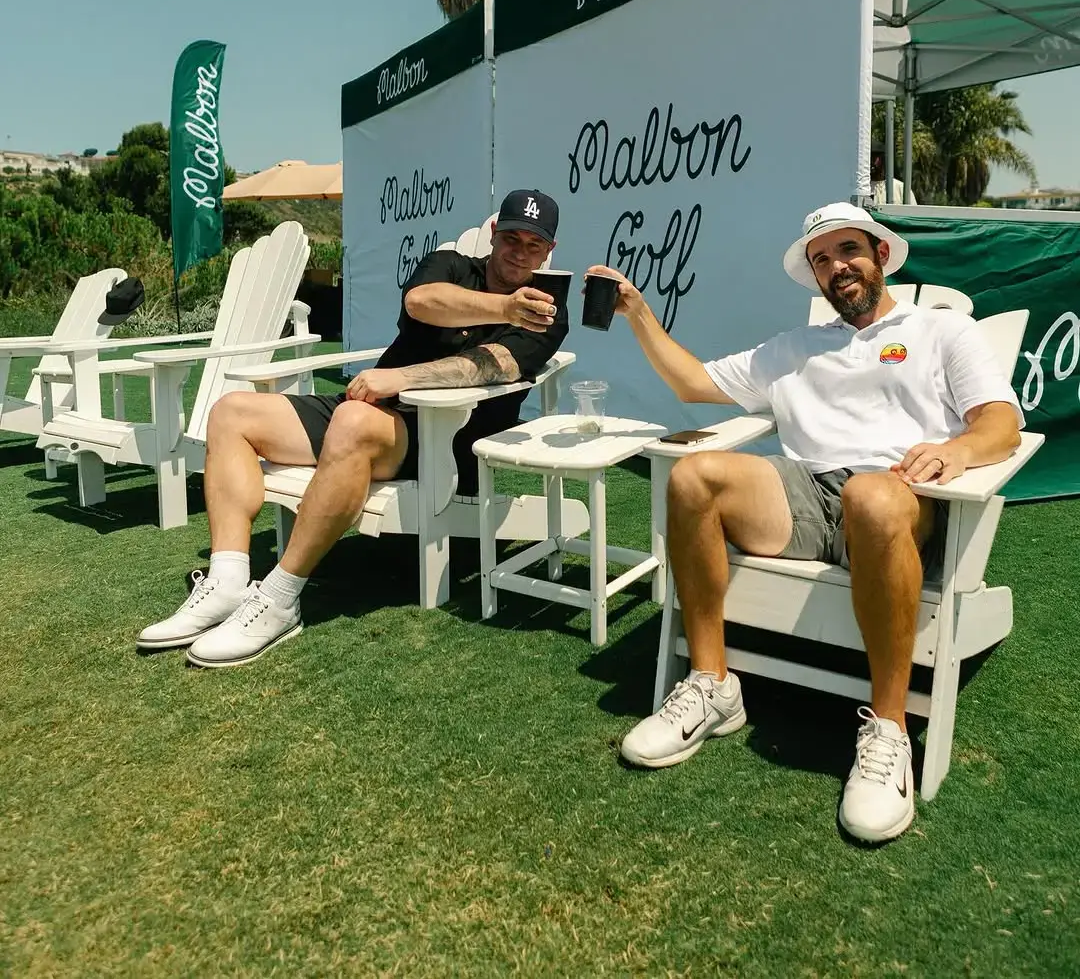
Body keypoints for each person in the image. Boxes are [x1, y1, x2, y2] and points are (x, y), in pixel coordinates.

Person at [589, 202, 1021, 843]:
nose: (836, 266)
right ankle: (712, 685)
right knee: (693, 476)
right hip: (807, 496)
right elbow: (693, 384)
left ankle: (889, 730)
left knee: (871, 498)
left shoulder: (941, 332)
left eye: (848, 250)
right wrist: (639, 314)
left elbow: (1000, 423)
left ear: (879, 254)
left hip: (901, 502)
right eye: (822, 259)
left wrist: (954, 451)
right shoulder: (792, 349)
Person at [138, 189, 568, 668]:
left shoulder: (550, 309)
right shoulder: (451, 263)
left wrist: (402, 378)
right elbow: (423, 301)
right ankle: (227, 579)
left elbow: (500, 365)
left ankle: (280, 598)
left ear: (549, 251)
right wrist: (504, 307)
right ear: (493, 234)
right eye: (512, 237)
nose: (520, 251)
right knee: (231, 412)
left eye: (534, 244)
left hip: (439, 438)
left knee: (353, 420)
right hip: (363, 407)